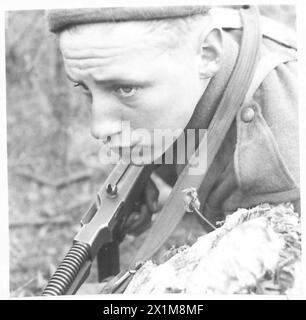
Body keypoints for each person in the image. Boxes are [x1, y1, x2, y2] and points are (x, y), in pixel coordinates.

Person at [46, 5, 299, 254]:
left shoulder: (273, 163)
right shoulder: (184, 51)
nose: (99, 129)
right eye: (84, 88)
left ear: (208, 55)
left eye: (126, 89)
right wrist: (148, 170)